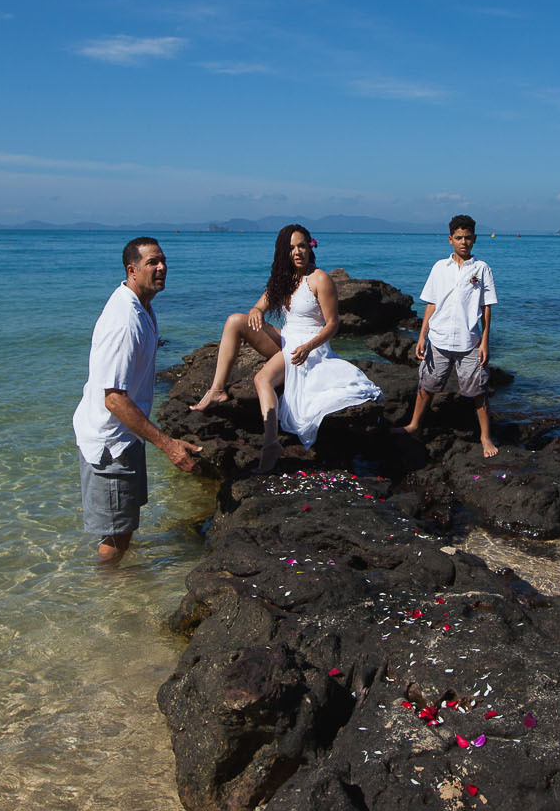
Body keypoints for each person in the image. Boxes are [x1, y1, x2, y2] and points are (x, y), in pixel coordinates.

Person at [189, 224, 380, 472]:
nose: (297, 252)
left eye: (301, 245)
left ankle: (271, 445)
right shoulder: (284, 279)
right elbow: (259, 306)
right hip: (287, 338)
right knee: (235, 320)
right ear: (284, 252)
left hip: (310, 346)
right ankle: (217, 390)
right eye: (291, 248)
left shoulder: (319, 278)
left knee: (262, 379)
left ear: (310, 247)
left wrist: (309, 346)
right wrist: (256, 312)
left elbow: (333, 324)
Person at [72, 237, 202, 564]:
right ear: (132, 270)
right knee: (114, 535)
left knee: (124, 525)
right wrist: (168, 444)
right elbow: (114, 399)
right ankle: (111, 596)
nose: (162, 268)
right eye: (152, 263)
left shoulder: (143, 306)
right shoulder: (123, 320)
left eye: (163, 261)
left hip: (125, 437)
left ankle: (123, 581)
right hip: (109, 442)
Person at [401, 213, 499, 457]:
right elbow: (432, 303)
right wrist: (422, 336)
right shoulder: (439, 268)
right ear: (450, 239)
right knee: (427, 384)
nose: (463, 242)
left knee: (478, 389)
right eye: (458, 238)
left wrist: (485, 342)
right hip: (439, 339)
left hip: (469, 342)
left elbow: (486, 308)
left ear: (474, 239)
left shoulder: (481, 269)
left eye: (467, 238)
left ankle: (485, 436)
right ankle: (414, 425)